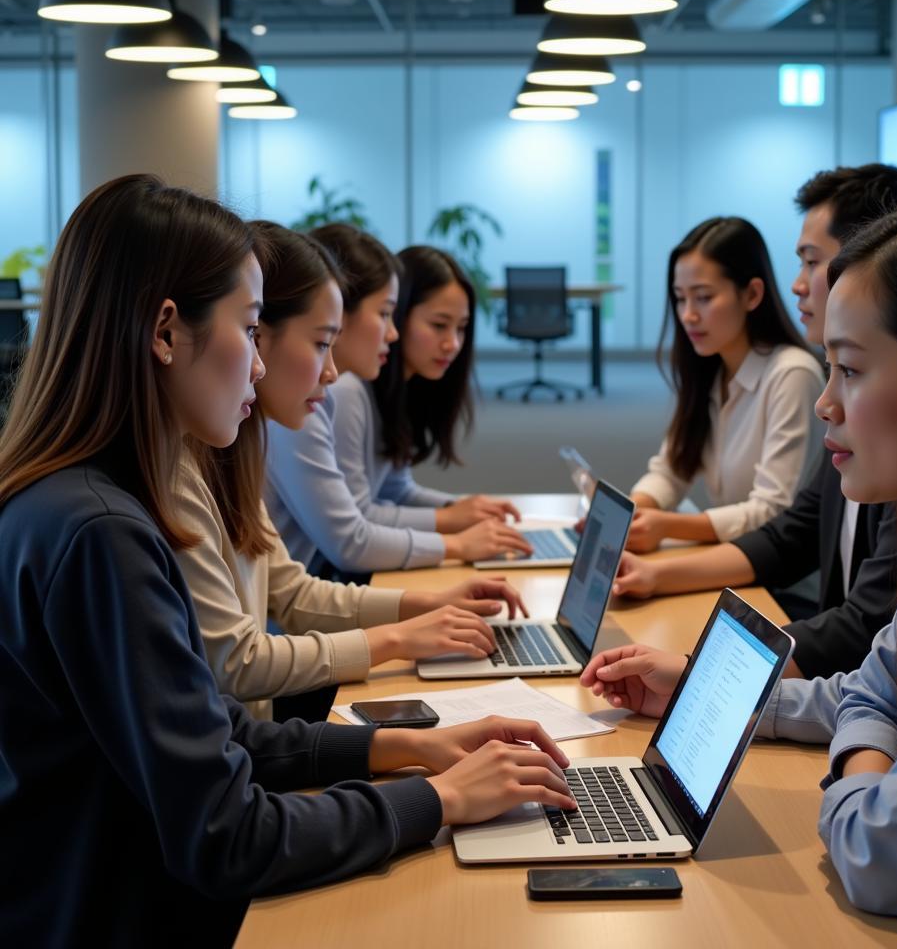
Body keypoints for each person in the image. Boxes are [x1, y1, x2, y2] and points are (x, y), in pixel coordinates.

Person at [0, 176, 575, 946]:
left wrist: (404, 748)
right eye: (249, 327)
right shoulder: (103, 532)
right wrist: (439, 800)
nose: (263, 366)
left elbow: (218, 729)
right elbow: (229, 835)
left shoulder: (72, 499)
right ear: (166, 332)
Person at [582, 190, 897, 946]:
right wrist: (705, 695)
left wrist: (864, 756)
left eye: (850, 371)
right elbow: (872, 687)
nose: (826, 405)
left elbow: (883, 851)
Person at [176, 220, 530, 724]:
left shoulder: (234, 453)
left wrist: (424, 604)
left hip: (259, 727)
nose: (332, 370)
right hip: (253, 731)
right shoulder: (186, 474)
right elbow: (239, 659)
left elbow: (293, 591)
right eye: (323, 342)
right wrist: (401, 633)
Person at [614, 165, 897, 678]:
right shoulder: (849, 407)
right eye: (681, 300)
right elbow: (791, 535)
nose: (799, 284)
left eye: (812, 262)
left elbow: (866, 629)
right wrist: (657, 574)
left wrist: (701, 670)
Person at [265, 224, 529, 577]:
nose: (452, 343)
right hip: (322, 579)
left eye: (462, 328)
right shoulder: (334, 394)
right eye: (386, 314)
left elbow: (392, 491)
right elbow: (352, 537)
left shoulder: (351, 388)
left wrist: (459, 511)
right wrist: (454, 532)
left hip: (315, 585)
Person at [626, 216, 823, 553]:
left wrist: (667, 525)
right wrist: (634, 509)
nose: (687, 314)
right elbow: (672, 470)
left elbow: (772, 511)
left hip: (782, 584)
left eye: (703, 297)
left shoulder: (792, 375)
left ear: (752, 294)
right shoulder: (711, 369)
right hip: (732, 562)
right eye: (680, 298)